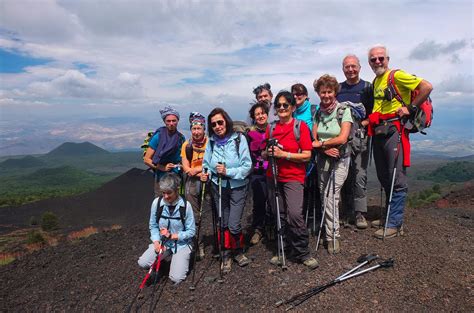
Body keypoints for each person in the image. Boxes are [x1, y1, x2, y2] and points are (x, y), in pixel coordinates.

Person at [367, 45, 432, 239]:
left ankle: (395, 223)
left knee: (396, 177)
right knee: (384, 176)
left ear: (388, 59)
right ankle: (389, 216)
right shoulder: (377, 80)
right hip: (380, 130)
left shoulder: (396, 75)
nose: (378, 62)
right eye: (373, 59)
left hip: (394, 130)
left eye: (381, 58)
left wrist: (411, 108)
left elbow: (427, 86)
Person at [263, 91, 319, 269]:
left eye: (285, 105)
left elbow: (307, 155)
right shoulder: (271, 128)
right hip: (274, 176)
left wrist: (283, 154)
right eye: (278, 105)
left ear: (293, 107)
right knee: (279, 214)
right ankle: (283, 250)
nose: (281, 108)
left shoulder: (300, 127)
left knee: (294, 214)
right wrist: (268, 153)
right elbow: (264, 153)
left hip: (293, 177)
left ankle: (302, 252)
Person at [201, 108, 252, 273]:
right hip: (218, 186)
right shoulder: (212, 142)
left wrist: (228, 172)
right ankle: (226, 254)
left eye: (220, 122)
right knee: (222, 222)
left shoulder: (239, 139)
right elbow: (207, 163)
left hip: (238, 186)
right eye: (213, 124)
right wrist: (206, 173)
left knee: (234, 224)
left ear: (226, 121)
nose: (217, 126)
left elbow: (247, 166)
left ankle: (237, 250)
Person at [312, 74, 353, 254]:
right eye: (323, 92)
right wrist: (324, 149)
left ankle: (332, 236)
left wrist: (321, 144)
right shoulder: (317, 113)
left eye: (329, 92)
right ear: (318, 93)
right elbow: (313, 138)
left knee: (330, 196)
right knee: (324, 195)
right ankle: (330, 228)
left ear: (334, 92)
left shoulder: (344, 111)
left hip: (341, 160)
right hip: (323, 159)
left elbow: (343, 137)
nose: (326, 95)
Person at [336, 54, 374, 229]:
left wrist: (363, 124)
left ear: (359, 67)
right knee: (344, 174)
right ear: (343, 69)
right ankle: (347, 211)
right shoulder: (338, 89)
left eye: (353, 66)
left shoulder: (368, 88)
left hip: (361, 137)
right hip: (342, 137)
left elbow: (375, 113)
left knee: (359, 174)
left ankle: (360, 213)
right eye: (346, 67)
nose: (350, 70)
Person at [138, 173, 196, 284]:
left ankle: (186, 257)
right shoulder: (157, 203)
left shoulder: (186, 206)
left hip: (181, 244)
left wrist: (173, 236)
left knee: (176, 278)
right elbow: (153, 226)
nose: (165, 196)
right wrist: (156, 243)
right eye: (163, 193)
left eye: (169, 193)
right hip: (163, 244)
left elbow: (191, 231)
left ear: (177, 190)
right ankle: (163, 264)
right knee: (143, 262)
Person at [181, 112, 208, 259]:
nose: (196, 131)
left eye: (199, 128)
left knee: (217, 211)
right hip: (193, 181)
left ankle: (218, 242)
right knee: (193, 214)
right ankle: (197, 245)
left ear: (204, 129)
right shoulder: (187, 145)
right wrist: (197, 172)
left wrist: (195, 170)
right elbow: (185, 167)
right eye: (194, 129)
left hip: (207, 179)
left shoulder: (209, 143)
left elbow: (210, 163)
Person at [144, 105, 185, 197]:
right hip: (161, 176)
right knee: (161, 202)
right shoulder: (158, 137)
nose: (171, 123)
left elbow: (183, 157)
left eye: (174, 121)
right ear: (164, 122)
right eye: (168, 121)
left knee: (175, 202)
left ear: (177, 121)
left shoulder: (181, 138)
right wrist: (162, 168)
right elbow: (146, 159)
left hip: (176, 176)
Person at [247, 101, 270, 245]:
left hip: (272, 170)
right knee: (259, 200)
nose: (260, 116)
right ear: (253, 117)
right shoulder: (249, 134)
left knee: (273, 201)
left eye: (262, 113)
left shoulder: (273, 129)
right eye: (257, 114)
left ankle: (271, 227)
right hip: (257, 172)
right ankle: (258, 229)